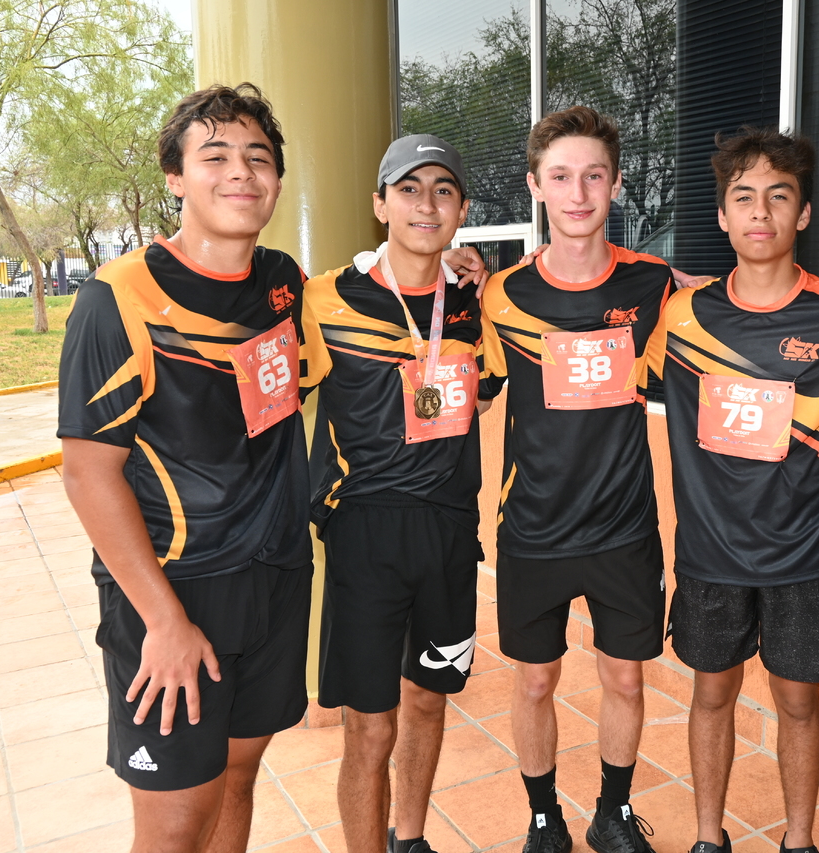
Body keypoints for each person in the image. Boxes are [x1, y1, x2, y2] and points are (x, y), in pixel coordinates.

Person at [58, 83, 322, 853]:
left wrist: (449, 268)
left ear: (277, 180)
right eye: (216, 156)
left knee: (238, 778)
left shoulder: (284, 283)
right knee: (175, 825)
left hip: (274, 579)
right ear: (175, 177)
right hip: (175, 591)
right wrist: (164, 621)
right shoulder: (118, 297)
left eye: (258, 157)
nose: (241, 171)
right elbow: (88, 473)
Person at [652, 127, 819, 853]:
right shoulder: (681, 315)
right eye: (743, 197)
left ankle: (798, 840)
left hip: (804, 553)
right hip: (710, 552)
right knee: (711, 693)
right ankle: (707, 837)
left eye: (779, 196)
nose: (760, 212)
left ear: (803, 214)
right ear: (722, 215)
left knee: (798, 701)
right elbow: (593, 297)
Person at [480, 105, 673, 853]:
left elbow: (724, 315)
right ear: (535, 186)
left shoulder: (655, 285)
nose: (579, 193)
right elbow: (460, 376)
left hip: (624, 527)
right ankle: (542, 818)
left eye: (594, 175)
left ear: (617, 184)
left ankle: (612, 813)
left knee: (624, 680)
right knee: (534, 682)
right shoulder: (500, 295)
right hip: (532, 528)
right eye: (560, 176)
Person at [304, 134, 498, 853]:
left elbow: (484, 394)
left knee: (429, 700)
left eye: (444, 190)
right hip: (364, 535)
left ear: (462, 210)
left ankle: (409, 839)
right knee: (370, 726)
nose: (427, 204)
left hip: (448, 533)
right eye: (409, 188)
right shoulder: (324, 299)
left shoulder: (475, 304)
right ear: (380, 204)